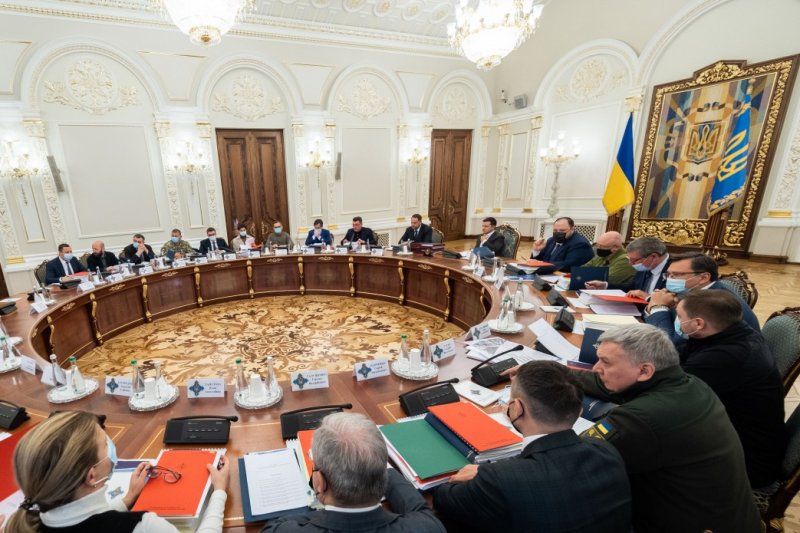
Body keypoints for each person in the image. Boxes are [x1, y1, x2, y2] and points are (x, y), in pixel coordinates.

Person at [570, 324, 761, 533]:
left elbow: (572, 462)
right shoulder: (690, 384)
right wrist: (557, 374)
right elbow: (607, 385)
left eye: (606, 362)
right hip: (731, 518)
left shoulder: (640, 419)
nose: (596, 368)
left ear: (645, 371)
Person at [432, 361, 631, 533]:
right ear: (579, 411)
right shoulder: (606, 451)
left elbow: (444, 499)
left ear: (516, 408)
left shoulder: (499, 479)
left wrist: (485, 473)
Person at [5, 410, 229, 533]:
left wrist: (128, 499)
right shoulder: (144, 526)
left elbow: (84, 522)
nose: (110, 446)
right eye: (105, 443)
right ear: (91, 476)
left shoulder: (28, 524)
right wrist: (219, 491)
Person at [674, 290, 785, 489]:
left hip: (743, 464)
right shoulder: (730, 331)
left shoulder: (726, 357)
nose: (677, 321)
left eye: (679, 316)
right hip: (724, 436)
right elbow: (679, 356)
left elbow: (670, 391)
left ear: (698, 323)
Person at [263, 412, 445, 533]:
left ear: (320, 482)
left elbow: (276, 525)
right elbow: (421, 512)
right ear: (383, 476)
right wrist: (379, 466)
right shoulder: (427, 528)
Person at [644, 251, 760, 335]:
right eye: (668, 275)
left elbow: (668, 346)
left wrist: (658, 307)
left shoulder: (714, 303)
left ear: (703, 278)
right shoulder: (691, 291)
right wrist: (656, 302)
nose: (670, 279)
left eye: (677, 275)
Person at [529, 217, 593, 274]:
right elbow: (539, 261)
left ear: (572, 229)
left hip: (566, 277)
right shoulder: (551, 240)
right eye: (555, 230)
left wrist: (542, 265)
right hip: (548, 274)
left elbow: (568, 265)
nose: (558, 233)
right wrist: (536, 251)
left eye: (562, 230)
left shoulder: (580, 244)